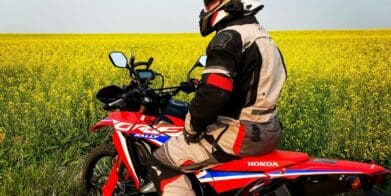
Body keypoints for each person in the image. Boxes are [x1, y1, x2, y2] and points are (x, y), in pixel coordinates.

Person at [148, 0, 287, 195]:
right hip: (269, 130)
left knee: (161, 161)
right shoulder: (264, 37)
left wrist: (192, 126)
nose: (207, 8)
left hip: (240, 134)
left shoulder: (229, 37)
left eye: (211, 2)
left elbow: (214, 94)